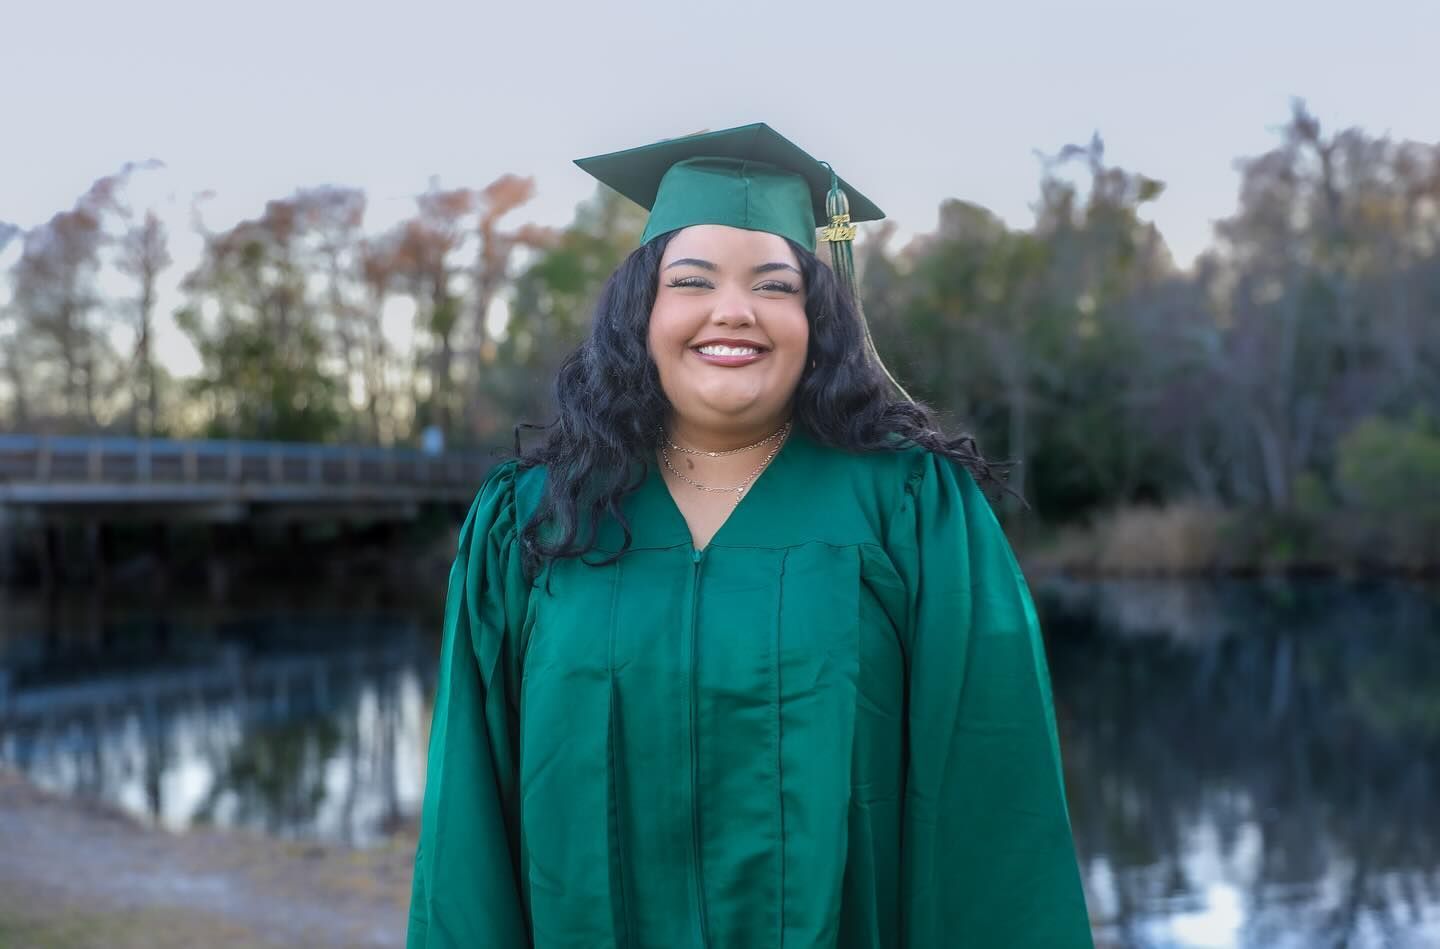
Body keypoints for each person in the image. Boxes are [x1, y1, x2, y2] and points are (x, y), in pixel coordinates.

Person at [407, 124, 1092, 948]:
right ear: (641, 311)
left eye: (774, 286)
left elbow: (993, 810)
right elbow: (468, 828)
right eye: (691, 281)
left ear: (818, 317)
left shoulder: (913, 511)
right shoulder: (534, 521)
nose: (733, 310)